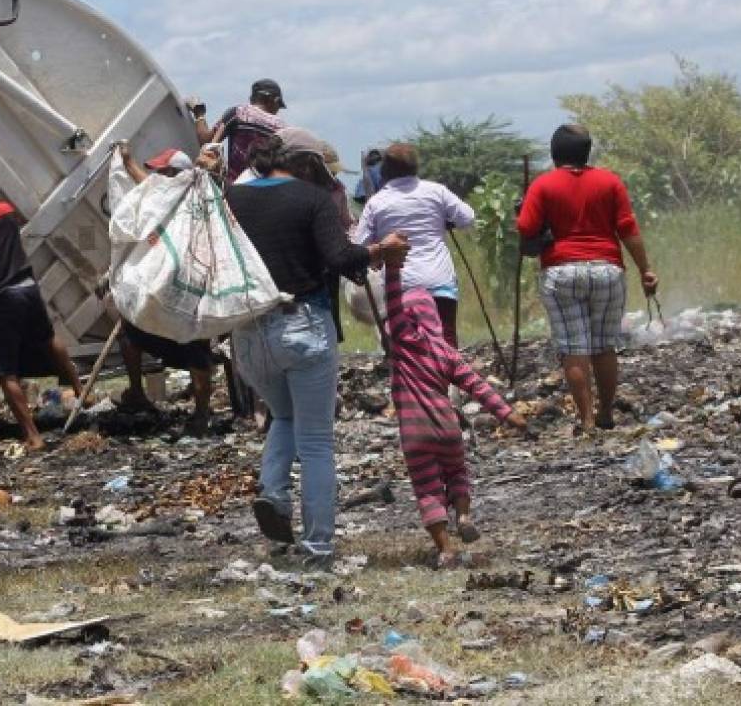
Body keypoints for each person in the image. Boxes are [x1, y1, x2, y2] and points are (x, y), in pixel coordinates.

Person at [224, 128, 409, 567]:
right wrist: (380, 250)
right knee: (316, 441)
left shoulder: (231, 200)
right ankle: (318, 545)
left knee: (283, 416)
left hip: (247, 333)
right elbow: (341, 258)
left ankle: (273, 492)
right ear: (308, 166)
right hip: (303, 325)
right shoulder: (310, 200)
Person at [516, 124, 658, 433]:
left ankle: (587, 421)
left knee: (573, 347)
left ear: (554, 154)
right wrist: (645, 269)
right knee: (603, 347)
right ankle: (606, 412)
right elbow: (628, 229)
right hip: (607, 270)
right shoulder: (610, 182)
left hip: (562, 271)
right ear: (586, 151)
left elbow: (526, 228)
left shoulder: (542, 186)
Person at [384, 260, 526, 568]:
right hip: (448, 429)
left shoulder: (404, 345)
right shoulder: (448, 353)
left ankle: (446, 549)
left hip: (415, 433)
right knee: (457, 473)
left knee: (427, 490)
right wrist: (507, 414)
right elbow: (478, 387)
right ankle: (463, 515)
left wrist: (392, 267)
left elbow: (392, 301)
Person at [0, 162, 85, 452]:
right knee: (49, 339)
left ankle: (33, 436)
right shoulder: (6, 211)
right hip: (29, 286)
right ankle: (81, 392)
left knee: (4, 373)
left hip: (4, 297)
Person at [112, 146, 215, 433]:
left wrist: (130, 161)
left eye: (162, 172)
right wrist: (129, 162)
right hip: (168, 287)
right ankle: (139, 394)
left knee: (196, 349)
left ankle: (202, 413)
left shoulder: (192, 199)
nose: (157, 177)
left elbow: (148, 184)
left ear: (175, 175)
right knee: (132, 332)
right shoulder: (170, 198)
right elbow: (147, 183)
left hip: (187, 287)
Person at [354, 143, 474, 348]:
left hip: (400, 286)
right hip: (439, 282)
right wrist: (445, 221)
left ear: (385, 170)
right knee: (446, 343)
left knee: (407, 349)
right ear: (415, 167)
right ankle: (446, 379)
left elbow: (360, 245)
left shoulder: (376, 203)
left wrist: (379, 248)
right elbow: (468, 218)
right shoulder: (436, 191)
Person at [203, 79, 286, 183]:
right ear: (274, 100)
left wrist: (199, 114)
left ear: (252, 98)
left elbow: (206, 140)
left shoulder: (239, 112)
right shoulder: (282, 128)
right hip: (267, 191)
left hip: (235, 187)